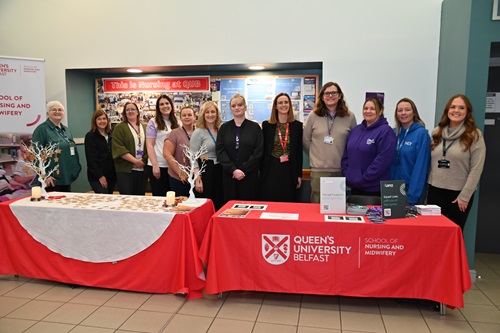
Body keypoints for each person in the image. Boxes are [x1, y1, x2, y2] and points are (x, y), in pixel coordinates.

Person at [427, 94, 486, 230]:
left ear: (467, 112)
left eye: (461, 108)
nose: (456, 111)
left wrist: (465, 196)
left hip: (459, 195)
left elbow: (477, 168)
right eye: (453, 107)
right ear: (447, 110)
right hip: (435, 191)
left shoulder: (474, 135)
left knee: (454, 235)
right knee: (434, 233)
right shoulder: (437, 132)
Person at [303, 82, 357, 203]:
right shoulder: (313, 116)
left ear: (339, 96)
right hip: (318, 171)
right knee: (316, 207)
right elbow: (306, 139)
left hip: (340, 170)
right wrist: (317, 154)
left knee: (336, 207)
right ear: (322, 97)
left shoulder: (350, 117)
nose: (330, 96)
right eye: (327, 93)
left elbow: (353, 143)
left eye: (333, 93)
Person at [341, 98, 396, 196]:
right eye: (365, 108)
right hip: (353, 187)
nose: (368, 111)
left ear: (380, 111)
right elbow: (346, 155)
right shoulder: (355, 130)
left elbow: (382, 161)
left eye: (372, 109)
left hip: (373, 190)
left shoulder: (386, 132)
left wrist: (364, 178)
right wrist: (347, 174)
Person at [216, 93, 263, 202]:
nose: (237, 108)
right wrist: (233, 170)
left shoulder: (255, 128)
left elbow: (258, 152)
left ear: (245, 107)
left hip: (249, 175)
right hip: (229, 176)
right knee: (229, 208)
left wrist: (243, 169)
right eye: (233, 106)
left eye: (240, 105)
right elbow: (220, 151)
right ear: (230, 109)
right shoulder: (224, 128)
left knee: (249, 208)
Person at [260, 93, 303, 202]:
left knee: (288, 200)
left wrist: (298, 175)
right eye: (280, 102)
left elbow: (298, 152)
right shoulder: (267, 125)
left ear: (290, 105)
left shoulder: (297, 126)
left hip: (290, 168)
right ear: (275, 106)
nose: (283, 105)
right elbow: (263, 150)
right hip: (271, 167)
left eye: (286, 102)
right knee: (271, 200)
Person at [32, 101, 81, 192]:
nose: (57, 112)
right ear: (47, 113)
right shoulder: (42, 129)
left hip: (66, 176)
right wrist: (45, 175)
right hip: (52, 179)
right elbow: (36, 154)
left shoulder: (66, 129)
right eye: (54, 110)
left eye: (60, 110)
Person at [390, 98, 431, 205]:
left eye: (407, 110)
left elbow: (421, 167)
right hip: (392, 190)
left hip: (412, 192)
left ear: (414, 113)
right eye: (400, 110)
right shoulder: (393, 133)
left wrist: (412, 196)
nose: (403, 113)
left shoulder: (421, 134)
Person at [190, 101, 224, 210]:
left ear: (217, 114)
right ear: (203, 115)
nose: (210, 115)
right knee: (206, 203)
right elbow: (192, 156)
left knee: (219, 201)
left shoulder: (221, 130)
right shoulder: (199, 132)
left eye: (213, 112)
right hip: (205, 170)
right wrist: (197, 177)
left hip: (220, 170)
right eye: (207, 112)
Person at [145, 95, 179, 197]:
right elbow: (149, 145)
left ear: (171, 105)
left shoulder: (177, 122)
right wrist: (155, 165)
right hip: (159, 165)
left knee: (173, 197)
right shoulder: (153, 122)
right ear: (158, 107)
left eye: (167, 103)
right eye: (161, 104)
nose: (165, 106)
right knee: (160, 197)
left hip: (173, 166)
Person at [112, 102, 148, 195]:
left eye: (133, 109)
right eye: (127, 110)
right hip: (125, 169)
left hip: (142, 169)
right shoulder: (119, 127)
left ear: (137, 112)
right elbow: (119, 147)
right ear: (124, 113)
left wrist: (143, 161)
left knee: (140, 198)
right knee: (126, 198)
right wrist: (135, 161)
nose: (130, 111)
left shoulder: (145, 126)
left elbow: (150, 146)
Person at [163, 106, 196, 197]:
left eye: (189, 115)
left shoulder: (198, 132)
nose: (187, 117)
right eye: (184, 115)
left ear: (194, 117)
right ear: (180, 117)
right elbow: (167, 154)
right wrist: (180, 172)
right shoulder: (174, 133)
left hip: (195, 177)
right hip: (179, 178)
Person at [84, 109, 116, 194]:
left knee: (110, 198)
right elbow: (91, 159)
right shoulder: (90, 136)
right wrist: (100, 176)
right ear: (95, 121)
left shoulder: (111, 134)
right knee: (103, 197)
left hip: (111, 175)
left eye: (104, 119)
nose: (102, 121)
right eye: (99, 119)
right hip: (97, 176)